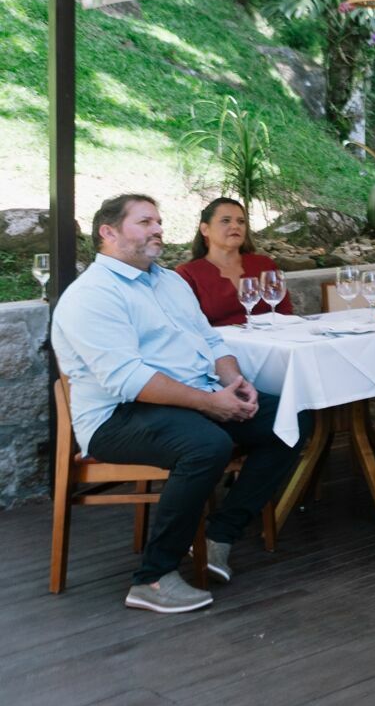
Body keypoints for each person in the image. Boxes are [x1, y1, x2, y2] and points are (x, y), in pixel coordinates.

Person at [50, 194, 301, 613]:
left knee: (288, 419)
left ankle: (218, 535)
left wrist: (235, 382)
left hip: (188, 399)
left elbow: (211, 341)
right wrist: (209, 403)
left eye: (159, 221)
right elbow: (129, 380)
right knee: (207, 445)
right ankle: (152, 578)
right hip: (118, 416)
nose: (158, 229)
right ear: (108, 232)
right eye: (145, 222)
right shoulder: (92, 295)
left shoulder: (169, 281)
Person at [174, 197, 284, 327]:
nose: (235, 226)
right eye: (225, 221)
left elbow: (285, 313)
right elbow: (187, 326)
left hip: (272, 338)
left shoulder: (264, 265)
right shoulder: (188, 274)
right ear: (205, 229)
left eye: (241, 221)